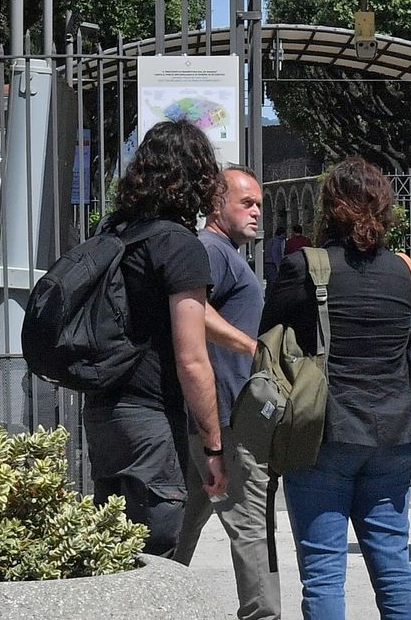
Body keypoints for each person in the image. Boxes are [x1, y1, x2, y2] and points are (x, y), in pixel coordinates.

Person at [259, 157, 411, 620]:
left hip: (323, 432)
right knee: (394, 564)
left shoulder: (304, 267)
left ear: (328, 207)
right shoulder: (402, 270)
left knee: (323, 572)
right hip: (395, 431)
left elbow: (268, 339)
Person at [81, 120, 228, 558]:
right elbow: (192, 360)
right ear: (198, 179)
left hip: (103, 411)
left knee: (112, 553)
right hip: (150, 417)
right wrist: (214, 446)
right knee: (157, 549)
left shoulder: (114, 235)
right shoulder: (179, 246)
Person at [174, 165, 280, 620]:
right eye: (246, 203)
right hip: (222, 420)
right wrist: (250, 347)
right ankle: (264, 615)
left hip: (217, 417)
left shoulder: (226, 252)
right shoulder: (210, 249)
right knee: (252, 525)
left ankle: (144, 600)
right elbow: (192, 313)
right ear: (216, 205)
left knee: (179, 527)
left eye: (259, 204)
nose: (257, 212)